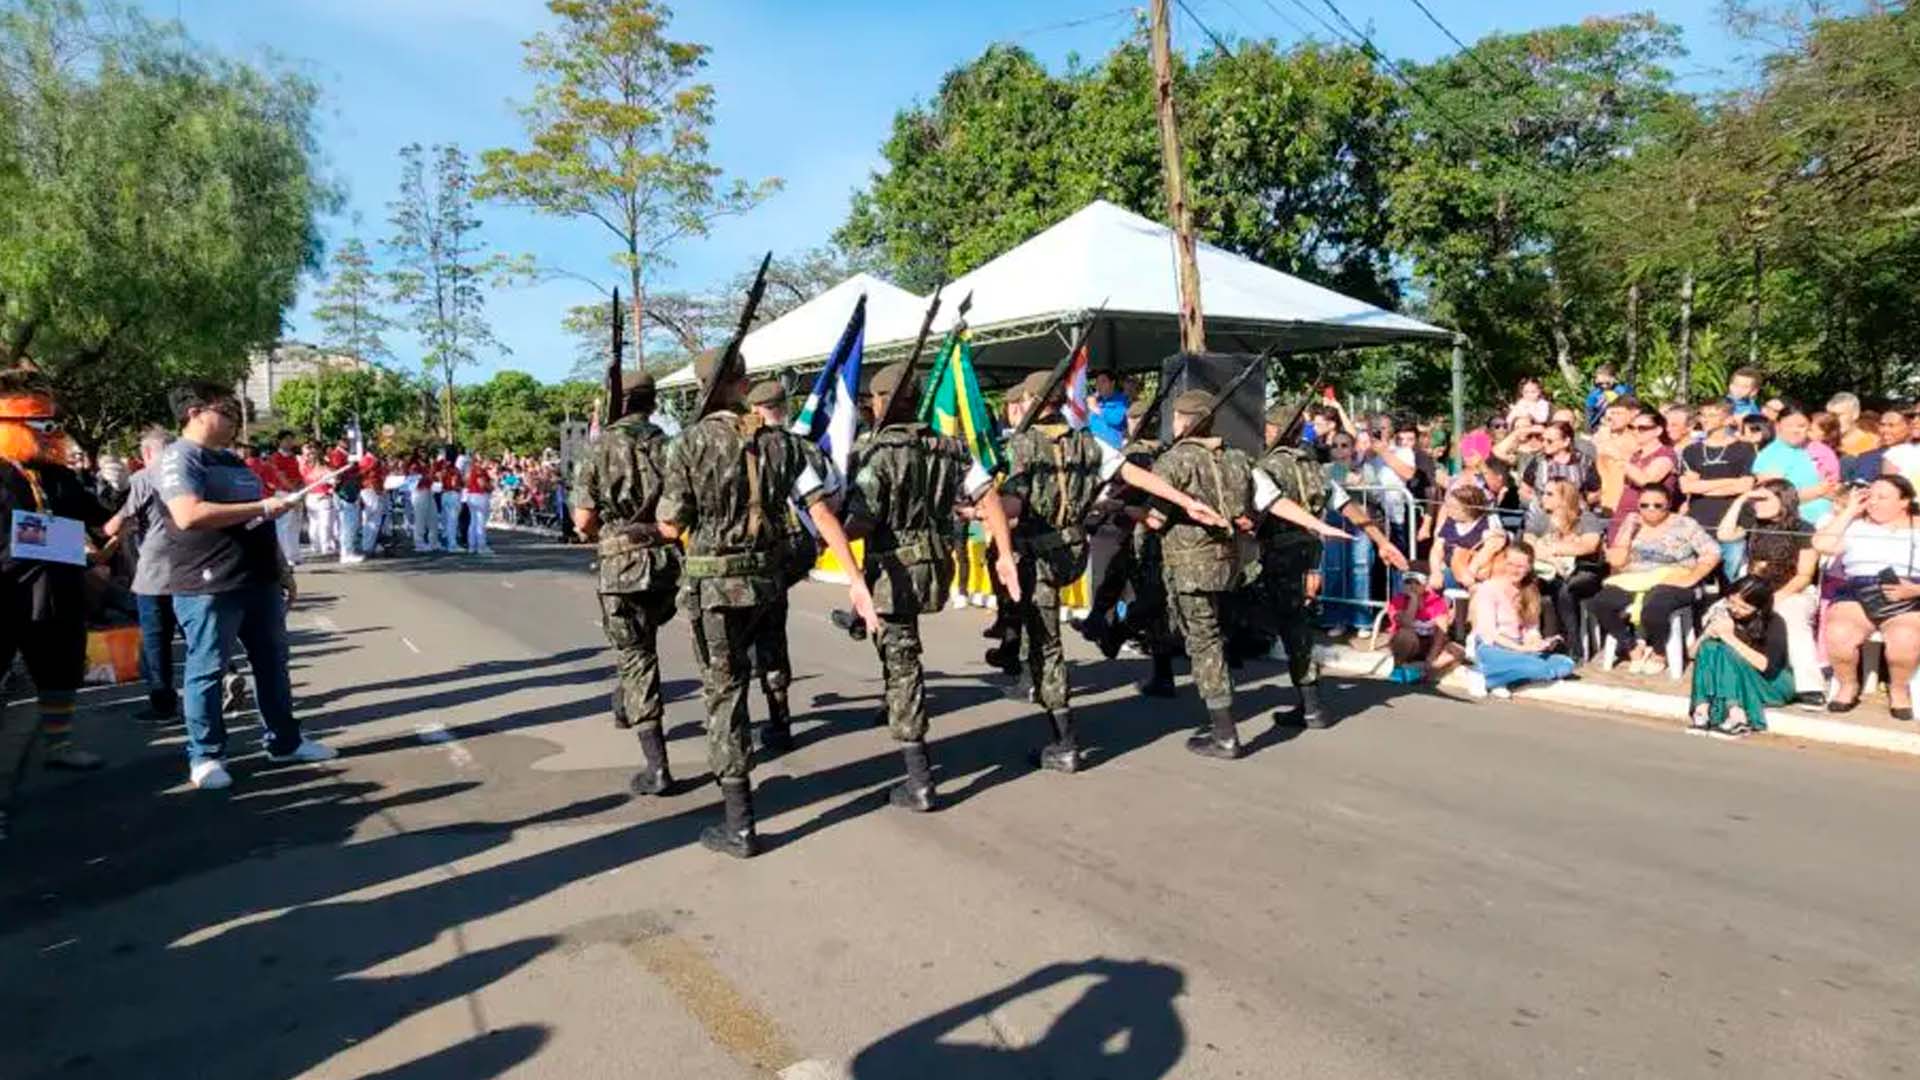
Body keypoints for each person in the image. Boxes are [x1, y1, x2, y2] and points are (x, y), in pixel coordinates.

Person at [656, 351, 878, 856]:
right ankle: (775, 727)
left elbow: (671, 525)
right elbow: (822, 511)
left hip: (713, 589)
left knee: (724, 691)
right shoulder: (781, 443)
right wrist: (855, 578)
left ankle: (739, 820)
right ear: (745, 383)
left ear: (700, 387)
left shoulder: (688, 444)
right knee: (765, 655)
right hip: (765, 580)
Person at [1000, 370, 1227, 766]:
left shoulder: (1021, 445)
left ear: (1032, 401)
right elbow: (1131, 472)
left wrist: (984, 509)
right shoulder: (1088, 443)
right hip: (1072, 548)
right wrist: (1183, 500)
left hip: (1035, 553)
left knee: (1046, 646)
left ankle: (1064, 742)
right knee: (1051, 640)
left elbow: (1015, 505)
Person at [839, 360, 1023, 807]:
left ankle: (919, 777)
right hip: (940, 565)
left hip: (894, 570)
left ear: (883, 401)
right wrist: (1002, 553)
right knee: (899, 652)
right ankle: (893, 692)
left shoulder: (876, 452)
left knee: (903, 662)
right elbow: (990, 496)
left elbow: (864, 519)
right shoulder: (952, 448)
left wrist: (832, 535)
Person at [155, 383, 332, 790]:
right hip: (208, 583)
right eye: (228, 410)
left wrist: (281, 567)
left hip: (258, 580)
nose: (235, 418)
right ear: (196, 412)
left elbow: (260, 523)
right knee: (207, 669)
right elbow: (187, 514)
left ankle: (285, 741)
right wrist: (262, 506)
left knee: (273, 665)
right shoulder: (179, 458)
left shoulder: (233, 462)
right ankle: (206, 755)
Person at [1249, 400, 1406, 728]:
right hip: (1306, 552)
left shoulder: (1267, 466)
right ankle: (1310, 703)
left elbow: (1262, 509)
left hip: (1277, 554)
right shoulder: (1309, 467)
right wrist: (1381, 540)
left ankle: (1309, 705)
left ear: (1275, 430)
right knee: (1295, 625)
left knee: (1277, 622)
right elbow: (1347, 504)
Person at [0, 373, 119, 770]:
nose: (54, 434)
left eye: (55, 424)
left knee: (61, 668)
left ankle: (59, 746)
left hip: (57, 591)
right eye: (43, 426)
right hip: (6, 593)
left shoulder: (60, 476)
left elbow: (99, 517)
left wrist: (122, 514)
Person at [571, 371, 683, 793]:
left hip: (622, 565)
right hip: (669, 563)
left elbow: (583, 521)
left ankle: (657, 767)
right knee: (645, 643)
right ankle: (626, 700)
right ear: (652, 403)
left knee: (636, 655)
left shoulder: (598, 448)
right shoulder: (673, 446)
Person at [1148, 391, 1259, 757]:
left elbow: (1155, 517)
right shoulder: (1238, 458)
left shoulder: (1175, 460)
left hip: (1190, 564)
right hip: (1227, 561)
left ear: (1186, 420)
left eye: (1177, 417)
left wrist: (1121, 508)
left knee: (1204, 641)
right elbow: (1249, 511)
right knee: (1212, 634)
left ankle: (1224, 733)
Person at [740, 379, 825, 752]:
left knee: (734, 643)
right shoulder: (801, 448)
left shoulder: (743, 447)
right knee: (773, 633)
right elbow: (828, 498)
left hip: (741, 558)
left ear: (756, 409)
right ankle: (780, 720)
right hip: (786, 555)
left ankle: (736, 724)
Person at [1585, 484, 1721, 676]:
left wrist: (1692, 578)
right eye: (1644, 505)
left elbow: (1712, 551)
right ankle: (1632, 647)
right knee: (1601, 602)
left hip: (1675, 578)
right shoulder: (1632, 524)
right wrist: (1626, 532)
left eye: (1658, 505)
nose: (1650, 510)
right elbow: (1616, 560)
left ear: (1669, 505)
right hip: (1637, 578)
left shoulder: (1685, 525)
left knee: (1654, 607)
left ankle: (1659, 652)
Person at [1814, 477, 1920, 719]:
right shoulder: (1856, 526)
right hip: (1858, 591)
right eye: (1870, 496)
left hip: (1908, 591)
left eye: (1882, 497)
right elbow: (1821, 544)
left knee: (1904, 639)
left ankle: (1899, 689)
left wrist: (1913, 591)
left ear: (1903, 501)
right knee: (1839, 633)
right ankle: (1848, 685)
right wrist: (1850, 510)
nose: (1873, 502)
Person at [1716, 480, 1823, 705]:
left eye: (1764, 499)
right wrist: (1741, 500)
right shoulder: (1753, 522)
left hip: (1793, 590)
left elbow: (1804, 575)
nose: (1757, 504)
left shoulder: (1803, 528)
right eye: (1756, 499)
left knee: (1791, 615)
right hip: (1755, 589)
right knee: (1718, 613)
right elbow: (1724, 535)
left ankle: (1809, 686)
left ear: (1783, 500)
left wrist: (1774, 599)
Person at [113, 426, 179, 720]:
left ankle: (163, 703)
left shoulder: (143, 478)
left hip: (155, 571)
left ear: (148, 452)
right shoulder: (189, 475)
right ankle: (227, 675)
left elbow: (120, 521)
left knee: (157, 641)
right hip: (193, 566)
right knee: (201, 635)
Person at [1466, 541, 1576, 696]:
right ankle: (1486, 676)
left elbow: (1531, 629)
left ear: (1529, 567)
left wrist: (1537, 642)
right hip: (1493, 647)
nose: (1514, 570)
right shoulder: (1489, 588)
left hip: (1519, 647)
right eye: (1511, 564)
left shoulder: (1530, 591)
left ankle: (1497, 678)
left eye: (1520, 566)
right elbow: (1488, 633)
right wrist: (1522, 649)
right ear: (1504, 562)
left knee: (1566, 664)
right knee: (1537, 667)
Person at [1688, 576, 1792, 737]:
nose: (1735, 609)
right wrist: (1705, 635)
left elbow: (1766, 666)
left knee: (1727, 651)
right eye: (1732, 602)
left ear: (1758, 608)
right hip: (1734, 677)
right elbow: (1693, 654)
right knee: (1709, 647)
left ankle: (1737, 716)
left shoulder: (1773, 623)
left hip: (1771, 683)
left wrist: (1729, 637)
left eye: (1743, 607)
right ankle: (1702, 709)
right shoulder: (1724, 615)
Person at [1523, 479, 1606, 660]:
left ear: (1564, 498)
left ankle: (1573, 648)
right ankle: (1529, 640)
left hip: (1584, 570)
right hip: (1548, 570)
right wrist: (1553, 559)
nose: (1543, 497)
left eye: (1549, 494)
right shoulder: (1541, 518)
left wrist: (1551, 549)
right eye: (1544, 493)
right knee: (1524, 583)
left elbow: (1588, 546)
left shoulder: (1586, 518)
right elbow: (1529, 545)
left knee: (1565, 589)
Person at [1679, 398, 1757, 571]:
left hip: (1734, 520)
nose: (1705, 419)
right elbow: (1687, 487)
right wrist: (1731, 481)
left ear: (1728, 419)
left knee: (1731, 574)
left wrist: (1702, 485)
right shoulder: (1691, 450)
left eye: (1712, 415)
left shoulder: (1744, 448)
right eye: (1703, 415)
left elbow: (1745, 486)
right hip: (1699, 520)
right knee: (1698, 573)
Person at [1603, 405, 1679, 538]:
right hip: (1622, 516)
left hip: (1646, 521)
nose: (1636, 431)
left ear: (1658, 430)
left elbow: (1647, 481)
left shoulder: (1666, 454)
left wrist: (1621, 459)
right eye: (1632, 427)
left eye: (1642, 428)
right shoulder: (1635, 455)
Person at [1753, 405, 1836, 525]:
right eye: (1789, 425)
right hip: (1792, 525)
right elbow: (1775, 500)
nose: (1795, 430)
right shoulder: (1770, 455)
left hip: (1826, 521)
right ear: (1778, 426)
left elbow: (1828, 485)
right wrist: (1818, 491)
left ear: (1809, 427)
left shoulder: (1811, 450)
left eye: (1801, 426)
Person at [1384, 571, 1462, 683]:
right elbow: (1405, 622)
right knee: (1405, 635)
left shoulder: (1436, 601)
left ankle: (1422, 672)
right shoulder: (1398, 600)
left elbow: (1441, 632)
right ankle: (1397, 668)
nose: (1412, 586)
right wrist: (1414, 600)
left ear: (1425, 585)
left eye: (1417, 583)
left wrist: (1432, 657)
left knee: (1458, 651)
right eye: (1408, 582)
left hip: (1429, 643)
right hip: (1407, 644)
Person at [1429, 484, 1504, 592]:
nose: (1449, 510)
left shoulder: (1488, 522)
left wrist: (1470, 571)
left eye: (1454, 507)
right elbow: (1437, 549)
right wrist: (1435, 572)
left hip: (1476, 575)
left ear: (1469, 509)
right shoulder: (1451, 521)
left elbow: (1491, 548)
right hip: (1449, 571)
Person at [266, 432, 304, 566]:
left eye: (291, 440)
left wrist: (300, 489)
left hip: (296, 492)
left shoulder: (293, 457)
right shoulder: (275, 457)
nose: (289, 442)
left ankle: (294, 554)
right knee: (284, 525)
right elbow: (280, 476)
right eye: (286, 440)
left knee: (295, 524)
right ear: (279, 441)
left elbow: (299, 474)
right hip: (283, 492)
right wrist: (292, 489)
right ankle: (285, 556)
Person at [299, 441, 336, 558]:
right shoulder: (308, 468)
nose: (311, 456)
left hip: (318, 496)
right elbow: (334, 482)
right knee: (321, 524)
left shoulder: (323, 468)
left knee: (318, 523)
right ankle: (322, 547)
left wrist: (330, 491)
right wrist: (329, 491)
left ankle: (318, 546)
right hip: (317, 497)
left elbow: (334, 482)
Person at [1827, 392, 1879, 458]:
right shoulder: (1825, 442)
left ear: (1855, 414)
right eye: (1830, 416)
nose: (1833, 420)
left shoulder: (1872, 444)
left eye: (1838, 415)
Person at [1086, 369, 1128, 449]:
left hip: (1110, 447)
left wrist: (1096, 408)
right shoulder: (1098, 401)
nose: (1099, 386)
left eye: (1103, 382)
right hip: (1092, 445)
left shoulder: (1120, 400)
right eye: (1097, 383)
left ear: (1112, 383)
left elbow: (1116, 419)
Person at [357, 446, 387, 555]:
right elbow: (364, 476)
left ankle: (371, 544)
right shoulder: (367, 460)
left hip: (375, 490)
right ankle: (367, 545)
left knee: (375, 520)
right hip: (369, 490)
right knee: (371, 519)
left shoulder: (373, 460)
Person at [1584, 364, 1631, 432]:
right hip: (1598, 426)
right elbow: (1588, 413)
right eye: (1600, 384)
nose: (1604, 386)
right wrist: (1587, 430)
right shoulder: (1594, 394)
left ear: (1614, 378)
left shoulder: (1622, 391)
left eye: (1607, 383)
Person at [463, 456, 494, 555]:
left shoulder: (470, 471)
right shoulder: (480, 471)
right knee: (480, 522)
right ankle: (481, 546)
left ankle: (472, 546)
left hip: (471, 495)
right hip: (479, 495)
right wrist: (491, 487)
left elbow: (466, 482)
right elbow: (482, 484)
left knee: (473, 522)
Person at [1807, 411, 1845, 490]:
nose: (1805, 432)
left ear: (1824, 434)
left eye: (1810, 430)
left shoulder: (1821, 451)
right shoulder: (1808, 446)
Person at [435, 451, 464, 552]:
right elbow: (454, 484)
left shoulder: (443, 469)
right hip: (453, 494)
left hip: (444, 494)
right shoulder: (454, 470)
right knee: (452, 521)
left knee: (446, 521)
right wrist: (460, 486)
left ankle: (446, 542)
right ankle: (452, 544)